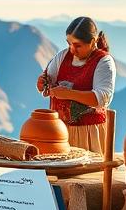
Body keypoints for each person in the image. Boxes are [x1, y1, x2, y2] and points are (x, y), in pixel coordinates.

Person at [36, 16, 116, 153]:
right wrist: (42, 83)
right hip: (59, 130)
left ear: (92, 42)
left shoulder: (104, 62)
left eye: (78, 45)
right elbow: (46, 83)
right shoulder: (62, 57)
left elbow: (101, 99)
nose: (72, 49)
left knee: (86, 173)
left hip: (88, 132)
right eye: (69, 44)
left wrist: (67, 94)